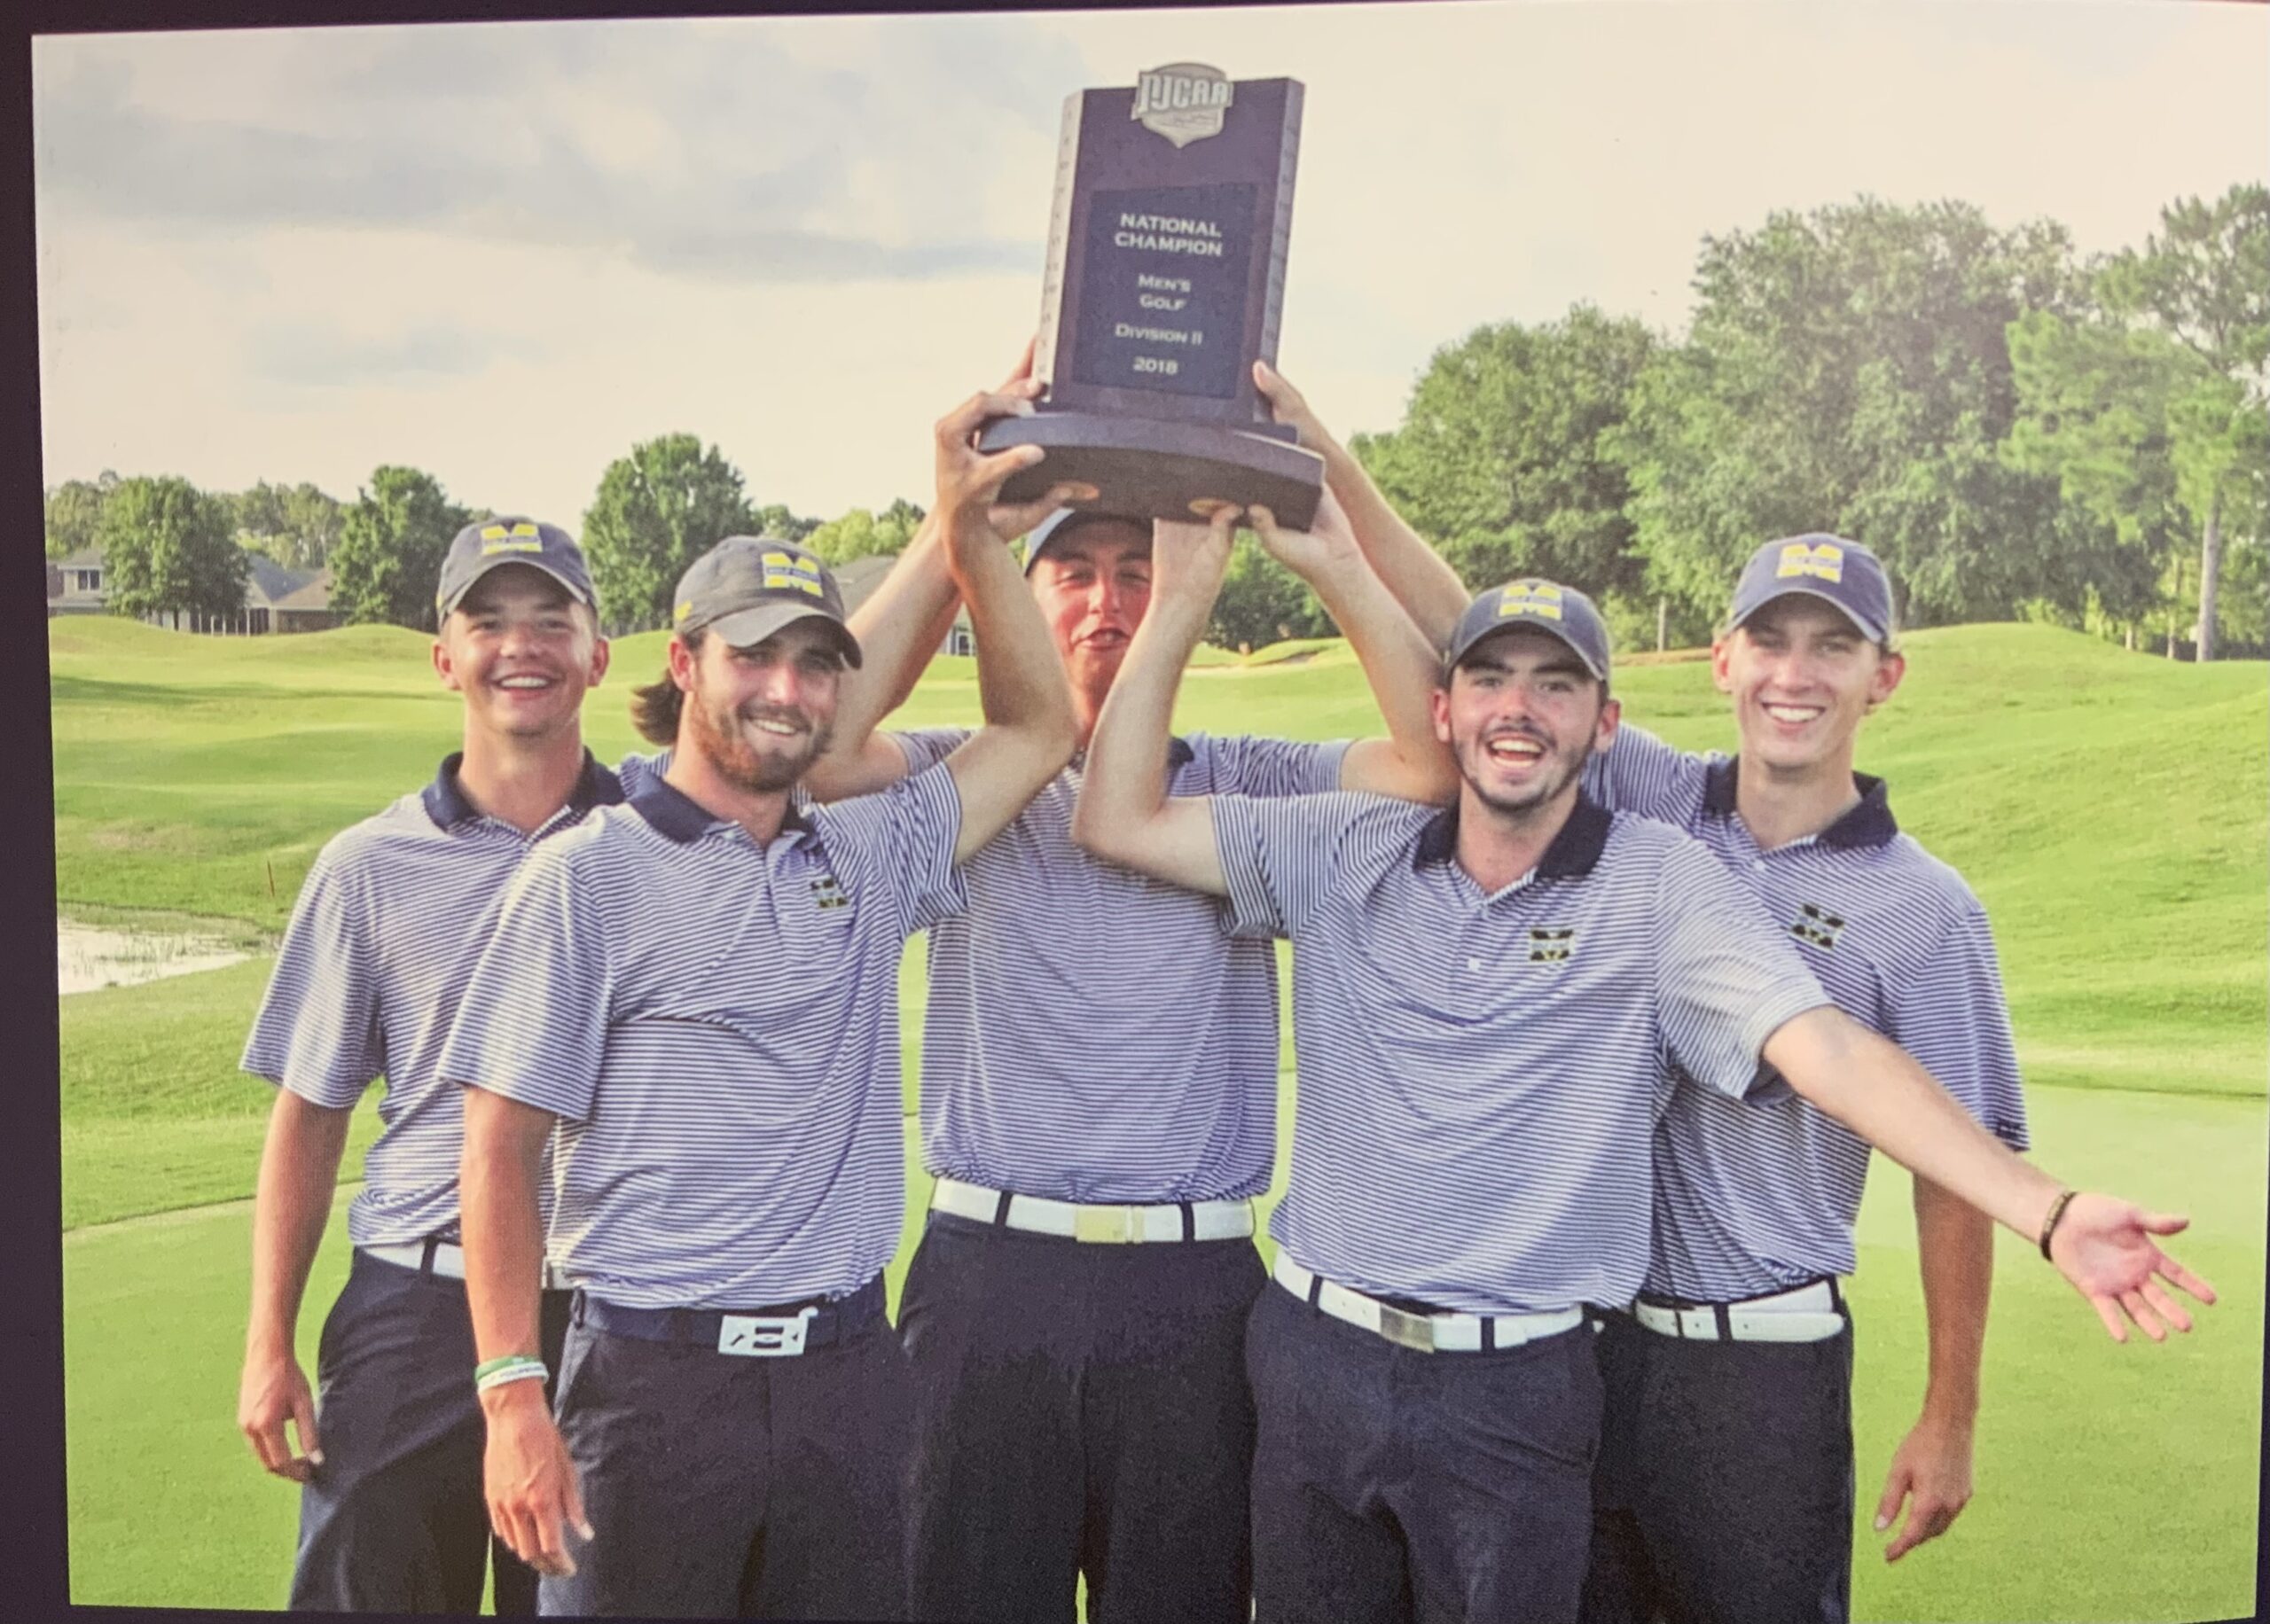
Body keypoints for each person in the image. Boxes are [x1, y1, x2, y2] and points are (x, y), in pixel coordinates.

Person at [1069, 524, 2213, 1624]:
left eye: (1557, 686)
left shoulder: (1677, 879)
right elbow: (1123, 810)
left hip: (1631, 1376)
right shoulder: (1366, 838)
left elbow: (1833, 1052)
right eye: (1491, 679)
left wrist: (2045, 1211)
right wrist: (1280, 545)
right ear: (1442, 708)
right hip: (1443, 1351)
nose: (1518, 706)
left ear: (1603, 723)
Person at [1246, 362, 2093, 1613]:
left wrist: (1951, 1412)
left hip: (1760, 1369)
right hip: (1585, 1352)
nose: (1794, 677)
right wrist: (1319, 450)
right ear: (1725, 660)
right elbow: (1476, 637)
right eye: (1771, 642)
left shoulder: (1926, 909)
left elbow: (1950, 1166)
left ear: (1883, 677)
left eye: (1833, 648)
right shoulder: (1650, 797)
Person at [798, 355, 1455, 1623]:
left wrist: (1324, 549)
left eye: (1137, 572)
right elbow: (820, 750)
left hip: (1196, 1297)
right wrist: (955, 530)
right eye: (1075, 573)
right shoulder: (965, 775)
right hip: (989, 1280)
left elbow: (1435, 765)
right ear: (1024, 593)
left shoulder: (1253, 779)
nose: (1109, 602)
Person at [441, 386, 1077, 1620]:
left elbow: (1041, 724)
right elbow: (497, 1145)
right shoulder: (588, 873)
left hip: (847, 1378)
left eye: (813, 663)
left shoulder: (871, 854)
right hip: (649, 1387)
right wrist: (512, 1392)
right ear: (684, 664)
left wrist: (972, 532)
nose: (783, 688)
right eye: (752, 656)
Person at [236, 517, 622, 1613]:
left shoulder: (655, 834)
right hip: (417, 1312)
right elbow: (309, 1112)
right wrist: (268, 1338)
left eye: (553, 622)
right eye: (487, 622)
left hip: (607, 1320)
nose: (522, 647)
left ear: (599, 654)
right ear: (443, 656)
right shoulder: (366, 866)